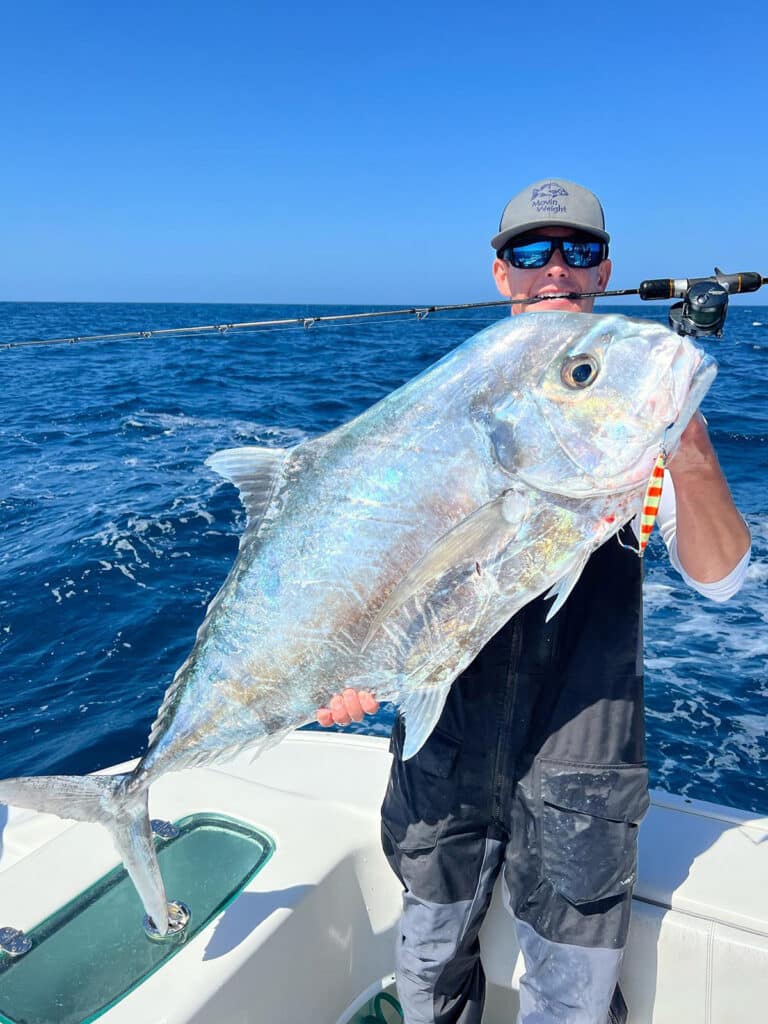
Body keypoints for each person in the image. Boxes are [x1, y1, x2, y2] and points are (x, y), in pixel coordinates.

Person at [317, 179, 752, 1024]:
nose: (556, 267)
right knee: (429, 967)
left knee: (569, 997)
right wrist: (344, 666)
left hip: (580, 760)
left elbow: (721, 578)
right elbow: (371, 567)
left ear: (604, 270)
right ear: (501, 272)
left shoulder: (626, 401)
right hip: (441, 745)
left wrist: (687, 446)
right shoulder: (448, 409)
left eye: (578, 250)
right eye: (531, 251)